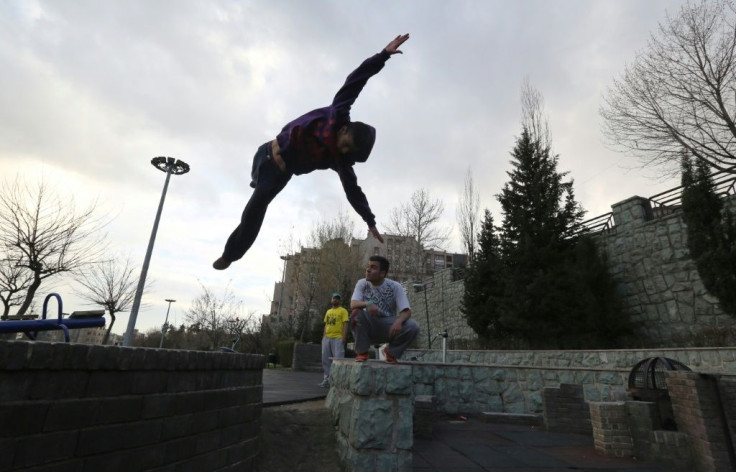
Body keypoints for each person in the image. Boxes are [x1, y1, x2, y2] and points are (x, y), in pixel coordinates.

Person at [213, 34, 410, 270]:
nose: (341, 149)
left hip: (278, 175)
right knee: (257, 188)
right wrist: (384, 55)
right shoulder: (338, 112)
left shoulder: (341, 160)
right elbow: (356, 80)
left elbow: (353, 191)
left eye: (347, 152)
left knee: (255, 210)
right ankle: (255, 182)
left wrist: (369, 220)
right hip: (265, 153)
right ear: (345, 128)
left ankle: (230, 255)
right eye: (344, 143)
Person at [350, 255, 419, 363]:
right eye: (368, 266)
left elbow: (407, 311)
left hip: (388, 328)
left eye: (373, 267)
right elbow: (353, 304)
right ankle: (362, 352)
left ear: (382, 273)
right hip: (368, 327)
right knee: (356, 313)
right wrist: (367, 303)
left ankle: (391, 353)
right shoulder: (362, 283)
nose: (368, 270)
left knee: (413, 326)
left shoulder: (395, 286)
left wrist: (398, 322)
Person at [320, 292, 349, 388]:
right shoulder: (328, 312)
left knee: (338, 359)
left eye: (337, 298)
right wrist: (324, 337)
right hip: (327, 338)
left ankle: (338, 381)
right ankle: (326, 379)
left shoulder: (343, 311)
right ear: (331, 300)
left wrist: (344, 337)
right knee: (325, 359)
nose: (335, 300)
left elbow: (345, 324)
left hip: (337, 338)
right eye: (334, 298)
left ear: (339, 300)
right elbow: (326, 324)